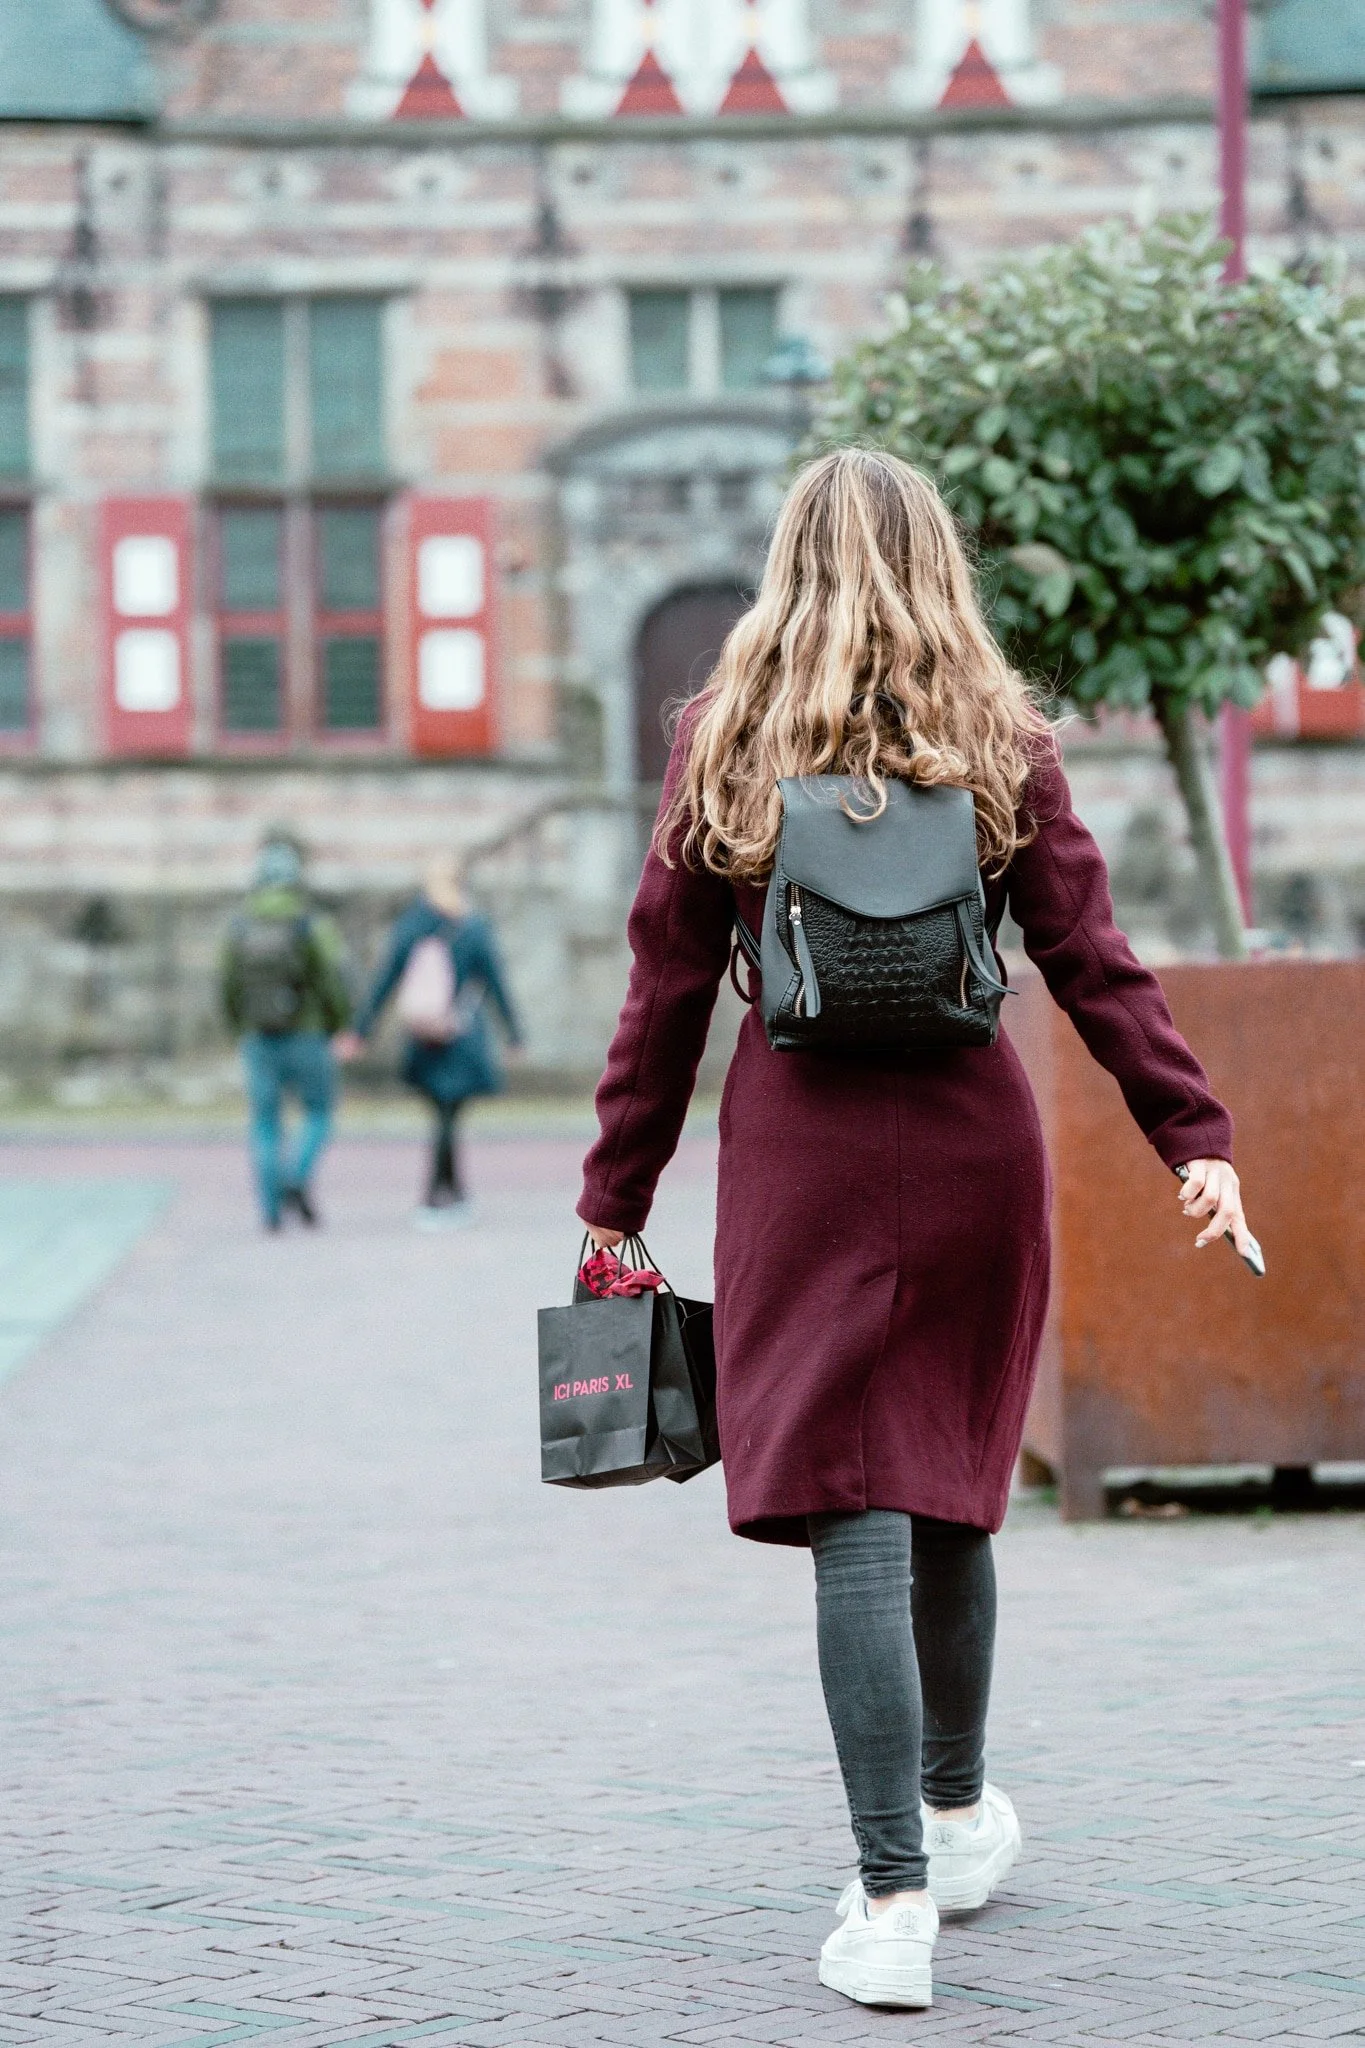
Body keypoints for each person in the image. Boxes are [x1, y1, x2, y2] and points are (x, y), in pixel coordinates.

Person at [575, 450, 1253, 2011]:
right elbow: (1093, 958)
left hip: (801, 1160)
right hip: (971, 1149)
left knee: (851, 1510)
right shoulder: (998, 743)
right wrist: (1192, 1136)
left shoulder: (725, 746)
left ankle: (889, 1903)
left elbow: (663, 1001)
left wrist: (615, 1201)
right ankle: (950, 1819)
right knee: (942, 1487)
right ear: (938, 565)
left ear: (785, 569)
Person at [339, 856, 522, 1226]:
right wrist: (514, 1033)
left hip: (423, 1037)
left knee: (443, 1115)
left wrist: (361, 1031)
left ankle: (450, 1193)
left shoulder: (412, 925)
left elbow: (385, 982)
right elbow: (495, 982)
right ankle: (437, 1199)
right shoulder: (473, 927)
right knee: (447, 1115)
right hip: (462, 1034)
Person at [221, 834, 351, 1232]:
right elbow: (331, 979)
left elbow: (226, 984)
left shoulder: (239, 924)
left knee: (264, 1121)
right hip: (308, 1033)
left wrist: (238, 1026)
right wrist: (338, 1023)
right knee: (318, 1111)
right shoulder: (311, 923)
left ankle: (271, 1209)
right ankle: (296, 1176)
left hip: (258, 1035)